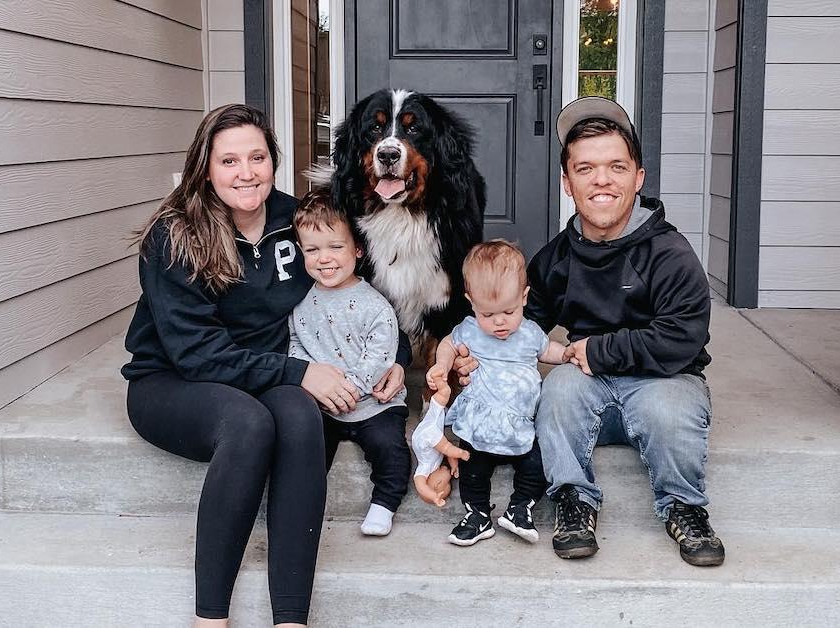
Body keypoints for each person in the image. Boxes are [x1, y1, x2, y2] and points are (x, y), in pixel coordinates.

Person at [121, 104, 409, 627]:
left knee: (300, 418)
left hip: (270, 369)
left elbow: (360, 287)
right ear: (205, 168)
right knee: (250, 423)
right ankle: (210, 619)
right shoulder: (176, 235)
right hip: (175, 382)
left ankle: (291, 619)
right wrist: (301, 373)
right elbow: (198, 354)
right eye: (229, 161)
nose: (246, 172)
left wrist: (396, 358)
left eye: (257, 157)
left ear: (274, 162)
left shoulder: (298, 220)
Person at [457, 97, 723, 566]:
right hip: (585, 385)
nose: (602, 180)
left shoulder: (669, 253)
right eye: (586, 169)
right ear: (568, 182)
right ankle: (574, 502)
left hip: (663, 377)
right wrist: (478, 356)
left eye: (617, 167)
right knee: (558, 389)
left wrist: (597, 349)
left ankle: (684, 507)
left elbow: (682, 337)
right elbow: (525, 322)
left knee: (669, 408)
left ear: (638, 178)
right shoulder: (557, 258)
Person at [287, 188, 411, 537]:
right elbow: (295, 343)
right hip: (325, 405)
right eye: (312, 250)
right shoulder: (301, 303)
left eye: (335, 247)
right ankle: (302, 503)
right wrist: (315, 387)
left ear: (357, 249)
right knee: (304, 447)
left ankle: (384, 503)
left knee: (390, 448)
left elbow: (380, 355)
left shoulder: (375, 306)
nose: (324, 259)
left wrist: (350, 389)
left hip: (373, 402)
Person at [426, 240, 568, 547]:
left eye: (508, 310)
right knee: (471, 466)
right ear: (471, 302)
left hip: (519, 424)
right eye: (488, 314)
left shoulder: (530, 332)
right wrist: (442, 364)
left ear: (524, 298)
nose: (500, 321)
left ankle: (520, 508)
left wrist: (569, 354)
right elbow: (448, 344)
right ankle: (477, 515)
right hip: (480, 424)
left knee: (536, 466)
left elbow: (549, 350)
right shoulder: (468, 329)